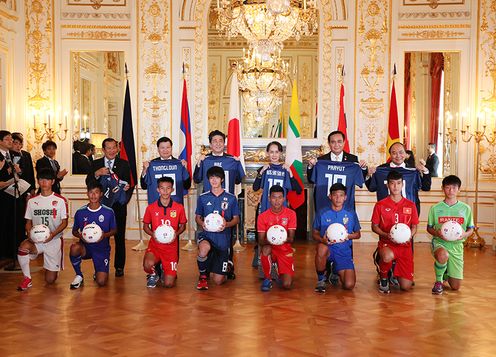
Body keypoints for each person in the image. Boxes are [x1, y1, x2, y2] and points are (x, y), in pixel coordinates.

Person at [193, 130, 245, 279]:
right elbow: (196, 179)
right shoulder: (205, 160)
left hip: (227, 203)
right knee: (209, 234)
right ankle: (207, 266)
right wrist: (198, 163)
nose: (217, 143)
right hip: (209, 203)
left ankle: (228, 265)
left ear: (224, 143)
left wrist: (237, 162)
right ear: (210, 144)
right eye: (214, 141)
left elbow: (238, 180)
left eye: (220, 141)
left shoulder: (232, 160)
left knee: (227, 236)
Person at [16, 168, 68, 291]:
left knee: (50, 280)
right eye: (41, 179)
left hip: (53, 240)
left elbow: (64, 223)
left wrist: (52, 234)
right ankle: (27, 278)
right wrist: (29, 234)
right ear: (38, 181)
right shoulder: (32, 201)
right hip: (36, 240)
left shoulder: (60, 200)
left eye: (47, 180)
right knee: (23, 246)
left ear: (53, 181)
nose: (44, 182)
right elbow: (28, 222)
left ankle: (52, 268)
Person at [252, 141, 301, 269]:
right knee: (263, 234)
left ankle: (280, 259)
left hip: (281, 210)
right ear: (267, 153)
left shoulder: (285, 169)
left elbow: (298, 189)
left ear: (281, 153)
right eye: (271, 152)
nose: (274, 155)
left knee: (280, 234)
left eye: (277, 152)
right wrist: (260, 173)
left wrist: (290, 174)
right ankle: (261, 256)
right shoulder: (264, 168)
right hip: (266, 208)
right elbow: (255, 187)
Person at [86, 137, 130, 277]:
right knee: (100, 236)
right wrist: (97, 173)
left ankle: (119, 267)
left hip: (118, 206)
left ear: (117, 149)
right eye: (108, 148)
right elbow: (89, 182)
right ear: (103, 150)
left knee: (119, 237)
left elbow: (128, 184)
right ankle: (100, 267)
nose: (111, 150)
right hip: (100, 206)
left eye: (114, 147)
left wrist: (126, 188)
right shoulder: (95, 163)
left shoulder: (124, 164)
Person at [371, 171, 418, 294]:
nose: (395, 187)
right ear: (387, 185)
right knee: (387, 257)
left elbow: (414, 226)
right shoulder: (380, 205)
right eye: (392, 183)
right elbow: (374, 227)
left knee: (406, 287)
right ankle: (384, 278)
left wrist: (409, 236)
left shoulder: (411, 205)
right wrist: (386, 235)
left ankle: (394, 271)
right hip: (387, 243)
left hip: (405, 246)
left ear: (402, 185)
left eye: (398, 183)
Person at [427, 175, 474, 295]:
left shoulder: (466, 208)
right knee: (443, 255)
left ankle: (445, 272)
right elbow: (429, 228)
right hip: (440, 243)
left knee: (455, 287)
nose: (451, 191)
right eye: (447, 188)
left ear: (459, 189)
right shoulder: (435, 208)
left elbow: (471, 229)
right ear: (442, 189)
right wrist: (437, 233)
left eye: (454, 188)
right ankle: (438, 282)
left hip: (457, 246)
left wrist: (465, 234)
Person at [195, 166, 240, 290]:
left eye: (217, 177)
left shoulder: (231, 198)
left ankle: (227, 266)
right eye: (211, 178)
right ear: (208, 180)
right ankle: (203, 277)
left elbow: (236, 219)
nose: (214, 180)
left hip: (223, 240)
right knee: (203, 249)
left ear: (222, 179)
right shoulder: (203, 197)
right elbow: (198, 217)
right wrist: (201, 223)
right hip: (207, 236)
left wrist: (226, 224)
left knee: (218, 281)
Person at [312, 183, 361, 293]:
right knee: (321, 249)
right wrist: (322, 240)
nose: (338, 198)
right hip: (328, 247)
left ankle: (335, 270)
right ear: (330, 196)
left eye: (341, 195)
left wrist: (347, 236)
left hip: (343, 250)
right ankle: (321, 279)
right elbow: (314, 233)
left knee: (349, 285)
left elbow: (358, 234)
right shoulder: (322, 212)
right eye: (335, 195)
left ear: (345, 197)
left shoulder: (350, 213)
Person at [69, 181, 117, 289]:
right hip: (85, 247)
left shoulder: (108, 212)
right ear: (87, 193)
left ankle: (98, 271)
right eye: (91, 192)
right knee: (74, 248)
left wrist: (104, 235)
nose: (93, 195)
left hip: (101, 248)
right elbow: (74, 231)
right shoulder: (80, 212)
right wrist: (81, 236)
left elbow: (114, 230)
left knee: (101, 281)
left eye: (96, 192)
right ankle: (79, 275)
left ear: (101, 194)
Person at [142, 176, 187, 288]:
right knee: (148, 264)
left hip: (171, 248)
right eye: (162, 188)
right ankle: (153, 274)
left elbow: (183, 226)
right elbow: (145, 226)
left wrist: (176, 234)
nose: (165, 191)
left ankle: (164, 269)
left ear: (172, 189)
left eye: (168, 188)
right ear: (158, 190)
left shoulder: (179, 207)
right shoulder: (151, 208)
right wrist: (153, 234)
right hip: (155, 245)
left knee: (168, 284)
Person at [307, 130, 367, 213]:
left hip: (345, 204)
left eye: (339, 142)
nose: (336, 145)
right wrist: (310, 166)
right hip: (324, 202)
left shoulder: (352, 160)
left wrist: (363, 168)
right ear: (329, 144)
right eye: (333, 142)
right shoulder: (321, 160)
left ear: (344, 142)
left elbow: (360, 179)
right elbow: (311, 180)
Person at [366, 142, 431, 214]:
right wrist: (368, 174)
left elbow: (426, 187)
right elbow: (371, 188)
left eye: (401, 152)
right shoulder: (381, 170)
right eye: (394, 153)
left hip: (408, 212)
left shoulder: (412, 170)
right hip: (386, 213)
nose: (398, 156)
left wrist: (425, 171)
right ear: (390, 155)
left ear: (406, 154)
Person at [257, 185, 297, 292]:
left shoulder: (291, 214)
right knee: (265, 249)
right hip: (270, 248)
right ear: (269, 198)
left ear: (284, 199)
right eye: (274, 197)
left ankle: (279, 271)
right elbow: (260, 241)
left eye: (280, 197)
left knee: (287, 285)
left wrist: (281, 239)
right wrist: (272, 240)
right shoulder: (262, 216)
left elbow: (291, 238)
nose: (277, 201)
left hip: (284, 250)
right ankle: (267, 278)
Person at [140, 136, 191, 205]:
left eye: (168, 147)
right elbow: (144, 186)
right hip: (156, 206)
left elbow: (187, 186)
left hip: (175, 205)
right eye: (162, 148)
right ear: (158, 149)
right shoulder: (151, 164)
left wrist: (185, 169)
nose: (165, 150)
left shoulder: (179, 164)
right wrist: (144, 170)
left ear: (171, 148)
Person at [0, 130, 22, 260]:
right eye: (7, 139)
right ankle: (3, 253)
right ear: (0, 142)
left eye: (11, 139)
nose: (11, 141)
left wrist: (17, 172)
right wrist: (7, 170)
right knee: (3, 223)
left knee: (13, 223)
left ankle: (12, 252)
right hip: (2, 196)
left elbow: (17, 173)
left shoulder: (13, 154)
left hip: (13, 194)